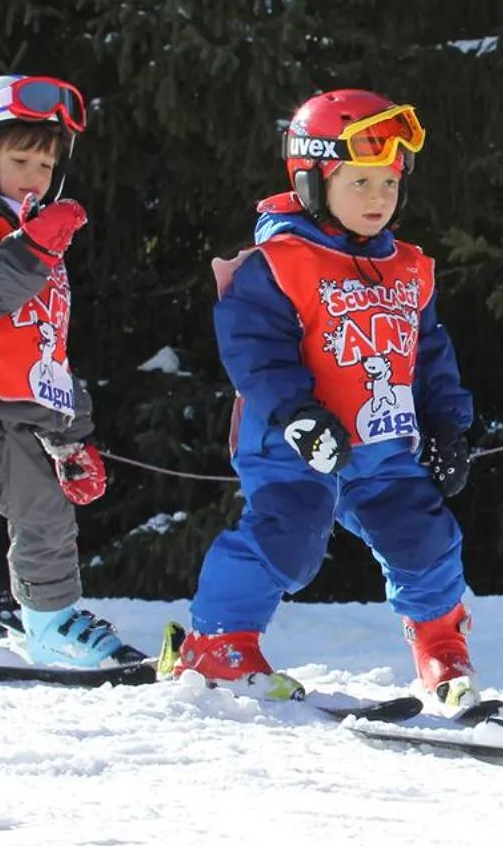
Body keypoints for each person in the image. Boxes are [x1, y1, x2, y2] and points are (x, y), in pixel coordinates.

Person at [162, 90, 476, 706]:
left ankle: (440, 643)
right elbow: (255, 351)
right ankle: (218, 643)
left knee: (425, 536)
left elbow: (430, 353)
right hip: (295, 445)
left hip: (383, 446)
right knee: (289, 537)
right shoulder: (277, 264)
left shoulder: (410, 268)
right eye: (359, 182)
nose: (378, 199)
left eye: (388, 183)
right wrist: (297, 414)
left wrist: (447, 427)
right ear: (311, 180)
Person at [0, 75, 128, 666]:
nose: (35, 177)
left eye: (46, 165)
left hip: (24, 414)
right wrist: (30, 253)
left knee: (47, 519)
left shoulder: (43, 237)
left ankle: (49, 623)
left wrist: (74, 436)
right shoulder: (25, 241)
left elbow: (47, 348)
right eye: (20, 160)